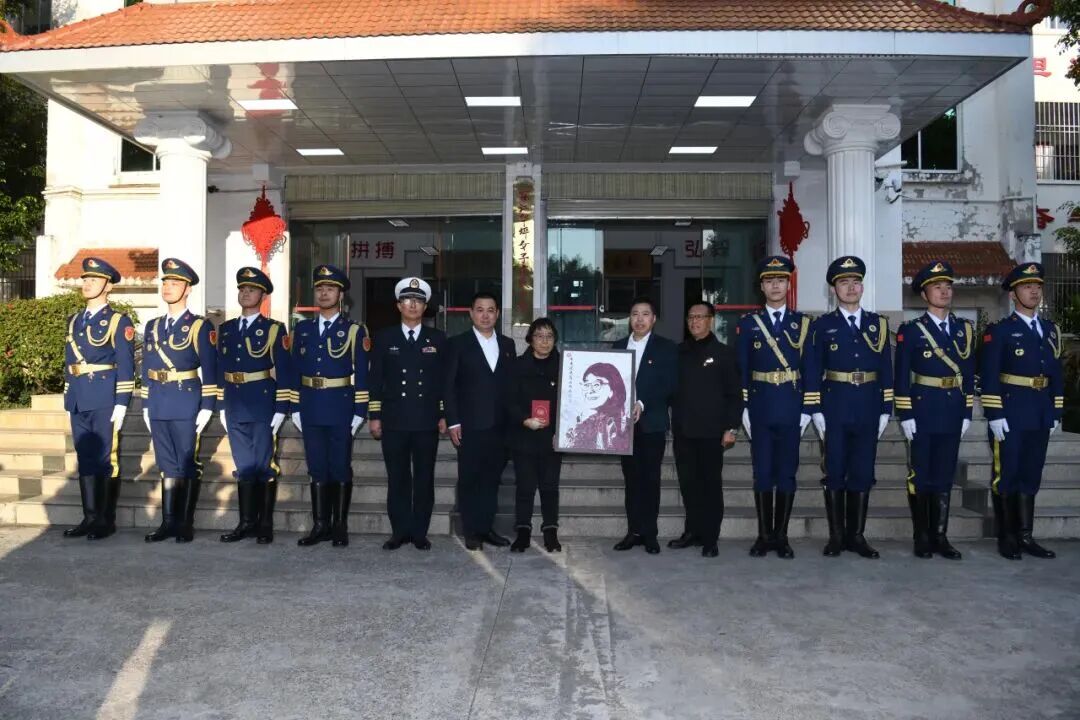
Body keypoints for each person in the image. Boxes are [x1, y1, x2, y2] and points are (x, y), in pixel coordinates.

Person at [806, 257, 894, 559]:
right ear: (834, 289)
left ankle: (856, 536)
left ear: (862, 287)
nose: (851, 287)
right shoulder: (822, 326)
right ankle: (836, 537)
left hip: (868, 404)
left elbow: (886, 368)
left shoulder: (878, 324)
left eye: (856, 282)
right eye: (844, 282)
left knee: (863, 470)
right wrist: (815, 408)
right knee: (835, 470)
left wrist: (886, 407)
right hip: (835, 405)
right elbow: (812, 368)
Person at [980, 262, 1063, 560]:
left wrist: (1056, 410)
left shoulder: (1051, 330)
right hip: (1011, 412)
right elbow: (989, 375)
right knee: (1007, 475)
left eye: (1037, 286)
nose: (1034, 291)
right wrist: (994, 413)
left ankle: (1026, 536)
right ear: (1013, 294)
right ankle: (1007, 537)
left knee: (1031, 474)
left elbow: (1056, 373)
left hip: (1040, 412)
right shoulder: (1000, 331)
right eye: (1027, 287)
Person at [894, 261, 975, 560]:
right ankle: (922, 536)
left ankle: (940, 536)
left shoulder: (964, 329)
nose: (944, 292)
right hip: (923, 409)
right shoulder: (912, 331)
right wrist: (905, 414)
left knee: (944, 474)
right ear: (924, 294)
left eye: (948, 286)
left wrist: (967, 412)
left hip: (952, 410)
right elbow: (901, 376)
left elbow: (968, 373)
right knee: (921, 474)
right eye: (937, 287)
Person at [737, 256, 815, 559]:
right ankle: (763, 536)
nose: (775, 286)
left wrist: (808, 408)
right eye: (769, 281)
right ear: (762, 286)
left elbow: (809, 368)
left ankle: (781, 536)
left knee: (786, 473)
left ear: (788, 284)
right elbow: (742, 367)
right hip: (760, 405)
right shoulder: (749, 324)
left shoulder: (803, 324)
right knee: (762, 472)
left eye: (780, 280)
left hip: (792, 406)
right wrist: (744, 405)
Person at [291, 265, 369, 548]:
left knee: (339, 467)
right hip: (310, 405)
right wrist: (295, 406)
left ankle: (339, 525)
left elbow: (363, 373)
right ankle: (320, 525)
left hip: (340, 407)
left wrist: (359, 411)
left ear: (341, 295)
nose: (324, 293)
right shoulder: (302, 329)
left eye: (331, 289)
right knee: (316, 467)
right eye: (320, 288)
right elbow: (294, 368)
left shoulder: (354, 330)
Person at [368, 277, 447, 551]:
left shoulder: (437, 339)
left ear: (425, 307)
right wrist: (375, 415)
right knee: (398, 478)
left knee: (424, 478)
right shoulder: (383, 338)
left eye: (418, 301)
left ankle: (420, 532)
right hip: (394, 420)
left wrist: (443, 414)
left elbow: (443, 382)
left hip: (426, 420)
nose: (413, 305)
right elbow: (375, 379)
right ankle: (399, 532)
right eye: (407, 300)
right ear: (398, 305)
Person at [142, 258, 218, 543]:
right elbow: (146, 368)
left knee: (186, 462)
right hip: (158, 401)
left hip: (186, 401)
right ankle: (168, 522)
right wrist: (146, 404)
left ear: (188, 289)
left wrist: (207, 407)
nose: (168, 287)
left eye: (174, 283)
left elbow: (210, 369)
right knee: (166, 463)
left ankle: (185, 523)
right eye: (165, 282)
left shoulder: (199, 326)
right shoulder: (152, 326)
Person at [217, 267, 294, 545]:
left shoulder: (273, 329)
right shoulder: (226, 329)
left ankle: (264, 524)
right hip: (234, 402)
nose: (245, 293)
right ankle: (246, 522)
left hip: (262, 402)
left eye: (251, 289)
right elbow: (220, 368)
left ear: (263, 296)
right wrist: (220, 404)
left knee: (263, 464)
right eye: (242, 289)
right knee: (243, 464)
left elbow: (284, 370)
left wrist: (281, 408)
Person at [61, 257, 135, 540]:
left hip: (104, 396)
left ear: (108, 286)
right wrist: (68, 396)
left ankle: (105, 520)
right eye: (85, 279)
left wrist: (122, 402)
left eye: (94, 279)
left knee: (105, 458)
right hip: (79, 397)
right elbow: (69, 362)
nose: (87, 283)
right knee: (85, 457)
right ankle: (89, 517)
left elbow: (126, 364)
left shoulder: (118, 321)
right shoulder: (74, 320)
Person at [444, 291, 517, 551]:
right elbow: (448, 386)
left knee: (491, 480)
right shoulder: (457, 344)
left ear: (497, 314)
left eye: (490, 310)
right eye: (480, 310)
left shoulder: (508, 345)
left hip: (500, 426)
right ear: (471, 313)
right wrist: (453, 421)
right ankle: (471, 530)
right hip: (470, 425)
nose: (485, 315)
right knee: (470, 479)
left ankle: (486, 528)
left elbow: (511, 385)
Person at [669, 302, 741, 558]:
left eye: (700, 317)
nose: (695, 321)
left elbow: (734, 395)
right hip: (684, 430)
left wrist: (731, 428)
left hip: (712, 432)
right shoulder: (678, 352)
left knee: (710, 486)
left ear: (711, 320)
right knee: (688, 485)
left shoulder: (725, 353)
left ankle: (710, 538)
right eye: (691, 317)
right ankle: (693, 531)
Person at [612, 297, 678, 555]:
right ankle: (634, 531)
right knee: (631, 480)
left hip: (652, 424)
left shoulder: (666, 348)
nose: (639, 319)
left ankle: (650, 533)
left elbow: (669, 384)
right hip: (623, 426)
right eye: (635, 314)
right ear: (629, 318)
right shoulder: (618, 347)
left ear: (653, 319)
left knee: (650, 479)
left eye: (645, 314)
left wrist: (642, 403)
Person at [504, 318, 562, 553]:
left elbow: (571, 403)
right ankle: (523, 532)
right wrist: (524, 420)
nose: (544, 341)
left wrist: (563, 432)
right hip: (524, 435)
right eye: (539, 336)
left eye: (549, 336)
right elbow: (509, 401)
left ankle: (550, 532)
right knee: (525, 487)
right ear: (530, 340)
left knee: (550, 487)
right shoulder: (517, 366)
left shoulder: (565, 366)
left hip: (553, 437)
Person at [564, 361, 630, 452]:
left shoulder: (625, 425)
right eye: (587, 385)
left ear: (612, 389)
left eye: (596, 385)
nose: (590, 390)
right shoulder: (585, 424)